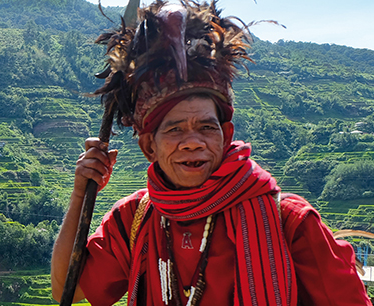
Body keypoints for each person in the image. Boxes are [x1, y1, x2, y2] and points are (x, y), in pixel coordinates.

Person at [51, 1, 372, 305]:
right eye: (175, 130)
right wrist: (81, 193)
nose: (193, 142)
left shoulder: (291, 222)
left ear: (225, 135)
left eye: (206, 127)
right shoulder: (134, 219)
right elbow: (68, 287)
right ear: (149, 145)